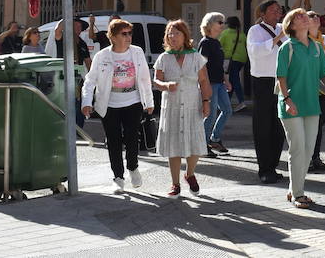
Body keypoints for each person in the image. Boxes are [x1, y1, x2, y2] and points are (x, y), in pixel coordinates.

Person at [82, 17, 154, 192]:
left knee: (131, 138)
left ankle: (133, 167)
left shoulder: (136, 52)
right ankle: (118, 177)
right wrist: (86, 101)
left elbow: (145, 78)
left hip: (133, 101)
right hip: (109, 103)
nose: (128, 37)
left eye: (130, 33)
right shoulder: (102, 56)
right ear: (112, 37)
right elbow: (90, 80)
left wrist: (149, 101)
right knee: (113, 141)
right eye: (124, 34)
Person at [153, 19, 210, 196]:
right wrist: (165, 85)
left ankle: (190, 174)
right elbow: (156, 81)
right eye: (170, 33)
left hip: (193, 103)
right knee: (173, 144)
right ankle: (175, 183)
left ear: (184, 35)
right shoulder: (164, 58)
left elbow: (204, 81)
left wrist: (206, 101)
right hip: (172, 105)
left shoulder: (195, 56)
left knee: (195, 143)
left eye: (176, 33)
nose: (172, 37)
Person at [275, 8, 325, 209]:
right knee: (297, 149)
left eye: (305, 15)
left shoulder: (317, 47)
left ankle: (293, 188)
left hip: (312, 105)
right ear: (291, 25)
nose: (304, 18)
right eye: (299, 16)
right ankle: (298, 194)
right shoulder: (287, 48)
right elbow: (281, 76)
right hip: (291, 105)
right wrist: (287, 99)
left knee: (308, 150)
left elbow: (323, 74)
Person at [247, 0, 286, 184]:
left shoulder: (282, 28)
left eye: (278, 10)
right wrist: (279, 37)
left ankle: (273, 165)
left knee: (279, 126)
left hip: (281, 80)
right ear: (262, 14)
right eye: (272, 10)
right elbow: (256, 52)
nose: (277, 13)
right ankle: (264, 168)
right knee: (263, 126)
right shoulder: (255, 31)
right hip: (262, 81)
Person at [198, 12, 233, 156]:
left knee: (227, 110)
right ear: (210, 24)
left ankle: (214, 138)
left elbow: (219, 65)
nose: (222, 25)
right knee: (210, 114)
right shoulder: (205, 42)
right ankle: (203, 144)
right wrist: (204, 84)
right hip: (210, 83)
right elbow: (201, 65)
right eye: (220, 22)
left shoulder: (217, 42)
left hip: (219, 83)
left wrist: (226, 80)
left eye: (223, 22)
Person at [304, 9, 325, 174]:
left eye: (316, 15)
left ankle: (315, 156)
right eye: (311, 16)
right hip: (308, 86)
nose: (315, 18)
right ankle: (306, 158)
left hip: (323, 87)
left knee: (319, 124)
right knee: (308, 124)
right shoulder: (303, 39)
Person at [219, 15, 248, 111]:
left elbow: (219, 45)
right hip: (242, 59)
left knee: (235, 80)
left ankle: (241, 101)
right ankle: (226, 102)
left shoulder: (225, 33)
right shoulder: (242, 34)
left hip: (231, 59)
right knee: (232, 79)